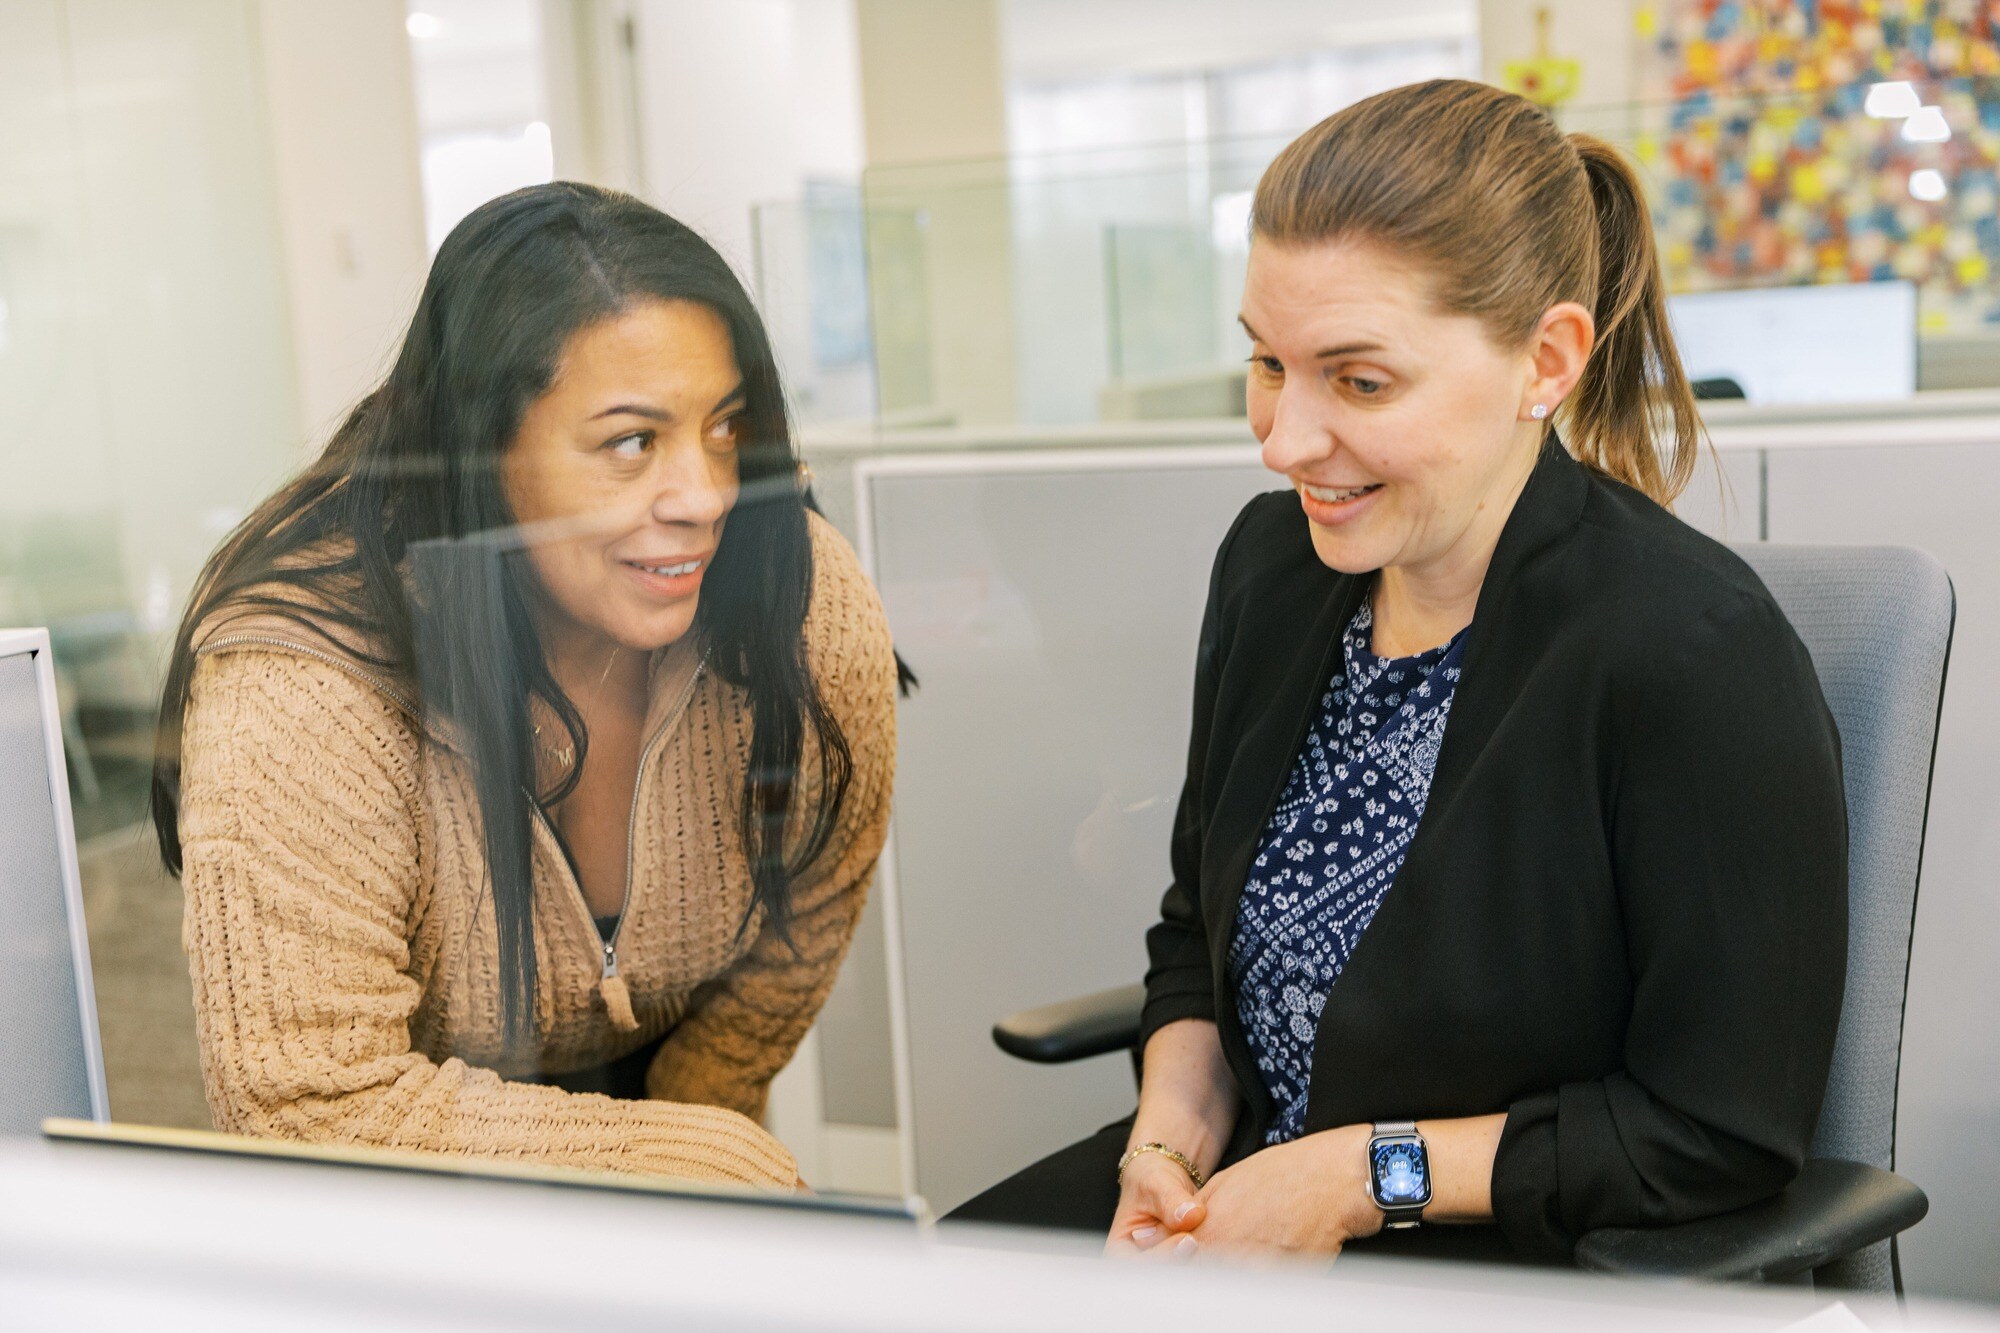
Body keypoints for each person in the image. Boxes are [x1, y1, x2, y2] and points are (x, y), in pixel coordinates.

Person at [948, 79, 1846, 1266]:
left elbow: (1714, 1130)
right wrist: (1164, 1147)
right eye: (1268, 364)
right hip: (1251, 1192)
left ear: (1546, 358)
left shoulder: (1688, 655)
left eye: (1358, 381)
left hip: (1508, 1249)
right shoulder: (1274, 569)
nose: (1281, 439)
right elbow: (1195, 943)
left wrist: (1354, 1178)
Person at [152, 183, 899, 1188]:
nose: (703, 497)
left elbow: (812, 891)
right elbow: (306, 1101)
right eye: (631, 442)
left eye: (722, 429)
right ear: (485, 451)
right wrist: (691, 1162)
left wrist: (698, 1126)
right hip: (394, 1195)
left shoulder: (793, 589)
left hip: (681, 1139)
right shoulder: (305, 681)